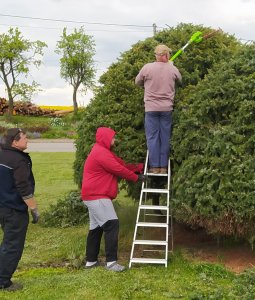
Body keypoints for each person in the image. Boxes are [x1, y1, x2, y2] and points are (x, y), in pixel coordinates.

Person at [81, 127, 145, 272]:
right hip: (98, 196)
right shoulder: (101, 153)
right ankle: (111, 263)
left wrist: (140, 167)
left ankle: (90, 262)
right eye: (113, 138)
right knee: (112, 225)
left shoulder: (102, 151)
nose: (114, 140)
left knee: (96, 229)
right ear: (105, 138)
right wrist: (136, 177)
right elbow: (118, 169)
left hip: (92, 196)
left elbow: (121, 164)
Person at [0, 128, 39, 292]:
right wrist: (34, 208)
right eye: (24, 137)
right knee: (13, 245)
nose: (27, 140)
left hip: (2, 206)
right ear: (14, 142)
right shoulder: (18, 160)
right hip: (13, 209)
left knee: (6, 244)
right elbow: (23, 187)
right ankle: (3, 281)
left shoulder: (2, 154)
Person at [135, 44, 182, 174]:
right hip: (167, 109)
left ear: (156, 55)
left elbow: (137, 82)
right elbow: (180, 80)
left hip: (150, 109)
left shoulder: (147, 68)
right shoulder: (173, 69)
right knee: (165, 137)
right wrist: (170, 67)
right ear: (167, 55)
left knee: (152, 138)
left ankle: (155, 167)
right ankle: (163, 167)